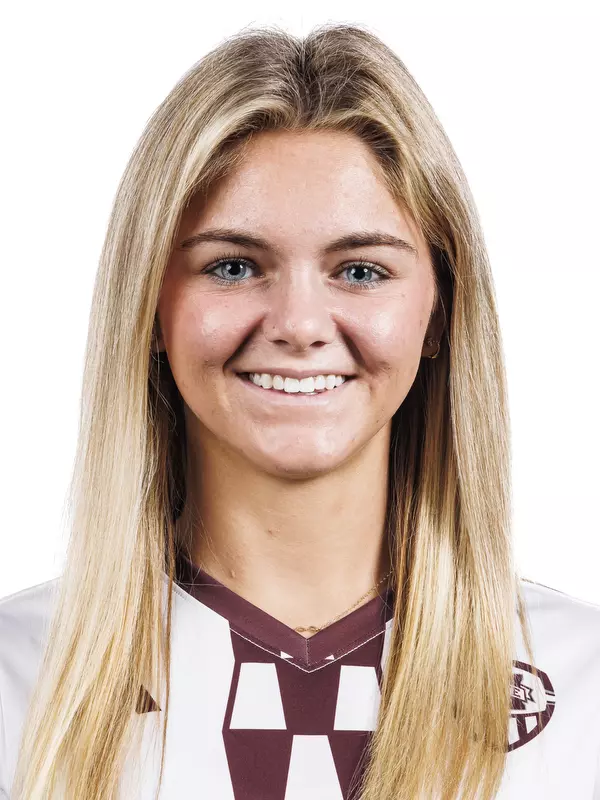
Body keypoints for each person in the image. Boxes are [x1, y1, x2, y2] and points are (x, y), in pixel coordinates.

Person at [1, 21, 599, 800]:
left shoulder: (581, 682)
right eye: (234, 265)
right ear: (148, 305)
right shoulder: (19, 676)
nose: (299, 323)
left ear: (440, 311)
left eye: (359, 269)